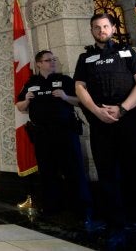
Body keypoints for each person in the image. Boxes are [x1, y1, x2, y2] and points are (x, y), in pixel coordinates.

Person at [74, 13, 136, 251]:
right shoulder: (85, 58)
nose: (101, 30)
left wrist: (122, 109)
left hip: (131, 123)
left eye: (105, 26)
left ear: (114, 29)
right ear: (92, 31)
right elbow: (79, 87)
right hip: (101, 125)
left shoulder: (129, 53)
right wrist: (97, 111)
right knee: (108, 179)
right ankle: (115, 228)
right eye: (96, 27)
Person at [16, 50, 93, 227]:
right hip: (42, 135)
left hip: (65, 133)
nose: (52, 62)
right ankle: (52, 208)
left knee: (74, 170)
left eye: (53, 59)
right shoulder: (31, 83)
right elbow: (20, 106)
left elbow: (81, 101)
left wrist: (66, 97)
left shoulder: (64, 80)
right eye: (48, 60)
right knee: (48, 172)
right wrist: (26, 100)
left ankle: (82, 210)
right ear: (39, 64)